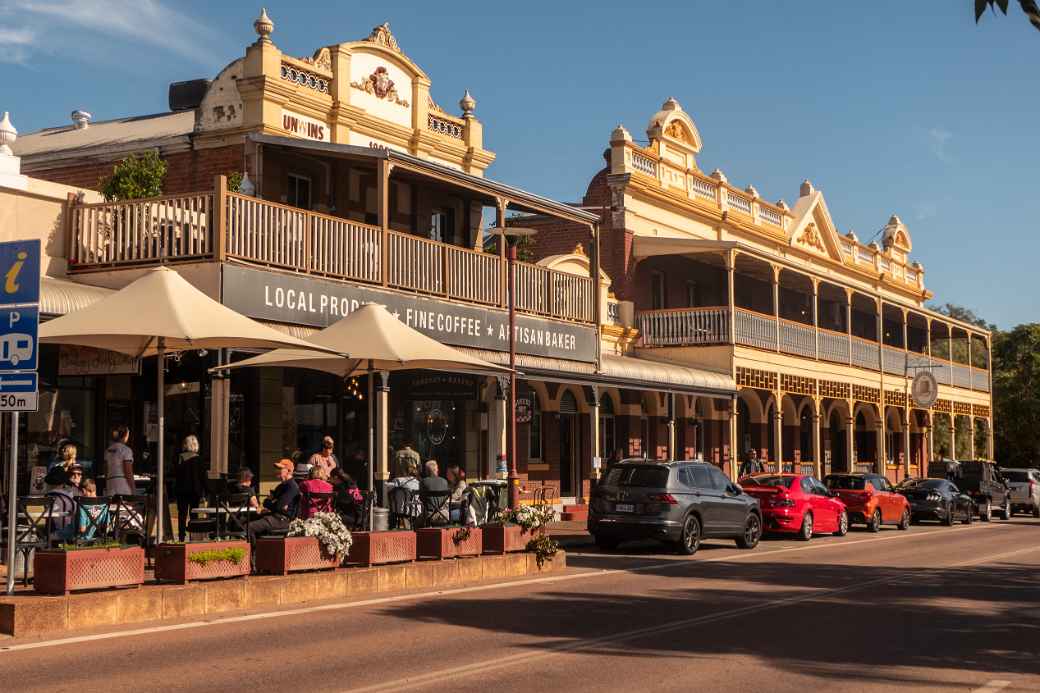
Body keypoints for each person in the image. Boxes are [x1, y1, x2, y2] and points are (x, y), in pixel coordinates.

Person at [245, 459, 300, 542]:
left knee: (249, 527)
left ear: (288, 471)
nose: (276, 471)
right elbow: (266, 502)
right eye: (276, 468)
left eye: (280, 469)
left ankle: (254, 553)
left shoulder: (292, 487)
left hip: (282, 520)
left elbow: (277, 506)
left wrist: (273, 504)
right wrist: (273, 504)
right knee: (244, 521)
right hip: (274, 516)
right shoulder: (281, 486)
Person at [173, 435, 207, 542]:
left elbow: (175, 473)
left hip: (181, 490)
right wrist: (206, 490)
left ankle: (181, 537)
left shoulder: (180, 457)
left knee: (182, 514)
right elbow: (203, 476)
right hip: (195, 491)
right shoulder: (199, 459)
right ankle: (193, 537)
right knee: (194, 514)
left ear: (185, 445)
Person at [385, 458, 421, 526]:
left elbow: (385, 488)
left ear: (405, 472)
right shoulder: (419, 484)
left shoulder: (399, 480)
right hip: (416, 512)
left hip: (400, 511)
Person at [104, 426, 135, 497]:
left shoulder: (108, 450)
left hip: (110, 483)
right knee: (125, 507)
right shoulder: (126, 450)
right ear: (126, 436)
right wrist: (133, 488)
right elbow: (128, 471)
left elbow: (105, 469)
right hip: (123, 485)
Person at [420, 459, 450, 525]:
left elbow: (421, 498)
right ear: (436, 470)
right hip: (445, 515)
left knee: (416, 523)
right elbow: (446, 498)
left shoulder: (423, 482)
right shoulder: (444, 481)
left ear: (426, 471)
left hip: (429, 516)